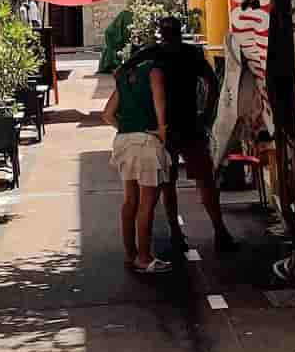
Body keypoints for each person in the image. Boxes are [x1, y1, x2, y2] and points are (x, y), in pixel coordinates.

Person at [141, 15, 238, 253]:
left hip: (165, 127)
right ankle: (220, 231)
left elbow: (124, 71)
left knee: (168, 183)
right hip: (191, 123)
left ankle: (176, 234)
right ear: (179, 31)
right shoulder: (192, 54)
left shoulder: (155, 53)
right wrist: (207, 113)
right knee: (205, 180)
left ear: (161, 33)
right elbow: (213, 83)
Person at [101, 51, 172, 275]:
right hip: (147, 142)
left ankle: (131, 254)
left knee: (130, 200)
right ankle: (144, 257)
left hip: (123, 141)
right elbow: (159, 99)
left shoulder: (124, 79)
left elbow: (107, 115)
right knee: (147, 202)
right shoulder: (154, 72)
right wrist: (162, 129)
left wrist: (126, 127)